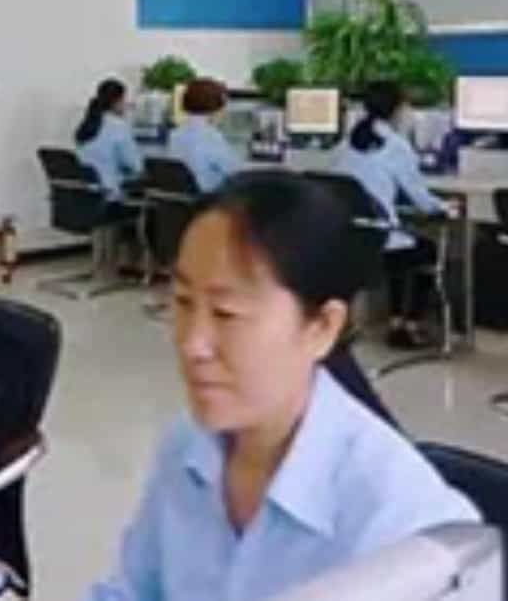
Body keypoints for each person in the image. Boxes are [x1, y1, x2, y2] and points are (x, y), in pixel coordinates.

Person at [86, 171, 476, 601]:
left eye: (226, 313)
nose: (193, 344)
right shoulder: (186, 446)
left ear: (322, 327)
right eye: (182, 302)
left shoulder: (403, 525)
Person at [331, 81, 450, 350]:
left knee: (401, 243)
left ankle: (396, 321)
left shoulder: (345, 144)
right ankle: (409, 325)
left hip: (351, 239)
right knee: (425, 250)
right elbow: (422, 201)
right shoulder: (396, 146)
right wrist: (445, 207)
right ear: (397, 110)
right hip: (380, 242)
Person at [167, 77, 242, 193]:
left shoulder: (175, 135)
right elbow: (236, 172)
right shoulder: (211, 137)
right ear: (216, 106)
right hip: (210, 198)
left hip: (184, 199)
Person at [76, 78, 143, 196]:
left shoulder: (86, 125)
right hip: (110, 195)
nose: (126, 105)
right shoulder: (119, 126)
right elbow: (136, 166)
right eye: (124, 100)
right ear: (116, 102)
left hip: (84, 195)